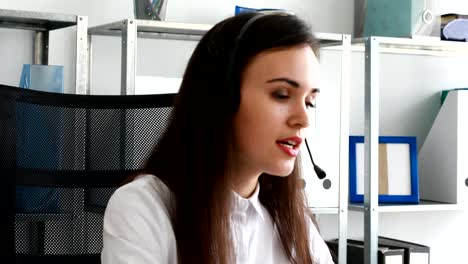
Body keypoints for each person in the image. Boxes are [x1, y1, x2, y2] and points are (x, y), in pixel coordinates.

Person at [101, 11, 334, 264]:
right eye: (281, 94)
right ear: (222, 99)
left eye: (310, 102)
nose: (304, 119)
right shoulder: (143, 207)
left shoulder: (293, 222)